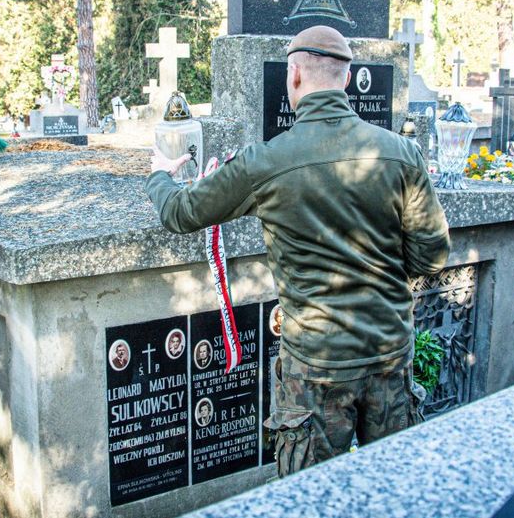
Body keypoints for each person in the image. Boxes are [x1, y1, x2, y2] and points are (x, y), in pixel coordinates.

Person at [146, 25, 450, 477]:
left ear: (293, 76)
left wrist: (158, 175)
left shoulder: (265, 162)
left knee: (307, 501)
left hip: (316, 368)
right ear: (346, 80)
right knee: (392, 490)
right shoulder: (402, 154)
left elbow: (181, 212)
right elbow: (431, 257)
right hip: (390, 353)